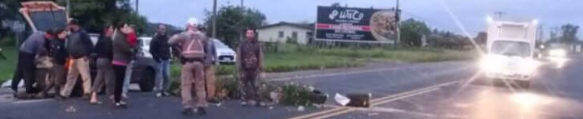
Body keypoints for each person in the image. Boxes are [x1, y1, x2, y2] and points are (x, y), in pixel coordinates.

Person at [168, 18, 208, 116]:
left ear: (188, 25)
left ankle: (188, 107)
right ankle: (201, 106)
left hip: (188, 62)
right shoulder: (203, 36)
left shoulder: (184, 35)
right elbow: (205, 46)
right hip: (199, 63)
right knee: (200, 85)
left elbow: (170, 41)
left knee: (186, 85)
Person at [11, 29, 60, 97]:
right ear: (48, 35)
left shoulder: (40, 33)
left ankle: (14, 85)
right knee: (28, 70)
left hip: (22, 51)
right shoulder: (40, 40)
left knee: (20, 69)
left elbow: (47, 45)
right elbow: (40, 51)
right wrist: (45, 57)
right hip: (28, 54)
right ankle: (29, 88)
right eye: (50, 37)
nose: (51, 39)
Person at [61, 19, 94, 99]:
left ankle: (87, 92)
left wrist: (87, 54)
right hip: (73, 57)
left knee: (85, 76)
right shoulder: (71, 34)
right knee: (71, 76)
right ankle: (66, 93)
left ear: (73, 25)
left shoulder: (82, 33)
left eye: (69, 25)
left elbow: (90, 45)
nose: (68, 27)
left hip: (81, 57)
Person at [237, 28, 264, 106]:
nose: (249, 34)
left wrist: (261, 67)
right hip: (244, 68)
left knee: (256, 85)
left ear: (254, 34)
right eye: (248, 33)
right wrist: (239, 67)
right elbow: (239, 56)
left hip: (254, 69)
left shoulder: (257, 44)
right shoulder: (242, 44)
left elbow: (260, 56)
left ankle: (258, 101)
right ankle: (243, 100)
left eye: (251, 33)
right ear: (246, 34)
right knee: (243, 85)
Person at [89, 25, 115, 104]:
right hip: (106, 60)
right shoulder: (108, 40)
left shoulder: (100, 39)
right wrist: (112, 59)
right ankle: (112, 96)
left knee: (99, 77)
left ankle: (93, 95)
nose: (112, 30)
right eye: (111, 28)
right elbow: (110, 52)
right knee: (109, 78)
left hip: (99, 60)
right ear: (108, 30)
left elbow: (95, 49)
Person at [40, 28, 68, 99]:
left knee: (53, 79)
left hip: (54, 61)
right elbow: (58, 53)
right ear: (59, 34)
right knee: (58, 78)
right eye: (63, 33)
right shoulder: (58, 43)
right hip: (58, 62)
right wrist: (65, 57)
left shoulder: (56, 41)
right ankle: (57, 94)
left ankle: (44, 92)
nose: (65, 35)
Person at [111, 23, 134, 108]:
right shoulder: (119, 37)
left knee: (120, 81)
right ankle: (117, 100)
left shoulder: (122, 37)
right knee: (119, 82)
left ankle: (118, 99)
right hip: (119, 61)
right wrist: (131, 50)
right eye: (125, 27)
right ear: (121, 28)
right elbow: (126, 49)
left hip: (121, 61)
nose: (127, 28)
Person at [150, 24, 172, 97]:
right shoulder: (155, 39)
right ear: (158, 29)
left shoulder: (167, 39)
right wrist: (157, 58)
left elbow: (169, 48)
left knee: (167, 75)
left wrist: (169, 56)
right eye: (161, 29)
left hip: (166, 59)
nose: (163, 30)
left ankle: (165, 90)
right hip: (159, 59)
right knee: (159, 76)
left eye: (164, 29)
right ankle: (158, 90)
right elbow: (152, 50)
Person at [199, 27, 218, 102]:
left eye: (204, 31)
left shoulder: (210, 41)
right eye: (201, 31)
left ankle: (211, 97)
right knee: (200, 81)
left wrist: (216, 61)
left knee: (211, 81)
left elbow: (214, 51)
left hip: (209, 64)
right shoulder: (197, 41)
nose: (203, 33)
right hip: (199, 64)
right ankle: (201, 97)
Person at [122, 25, 138, 98]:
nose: (127, 29)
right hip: (129, 59)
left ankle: (123, 91)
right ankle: (124, 91)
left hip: (127, 59)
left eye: (128, 28)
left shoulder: (130, 36)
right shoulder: (132, 37)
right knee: (127, 76)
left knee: (125, 76)